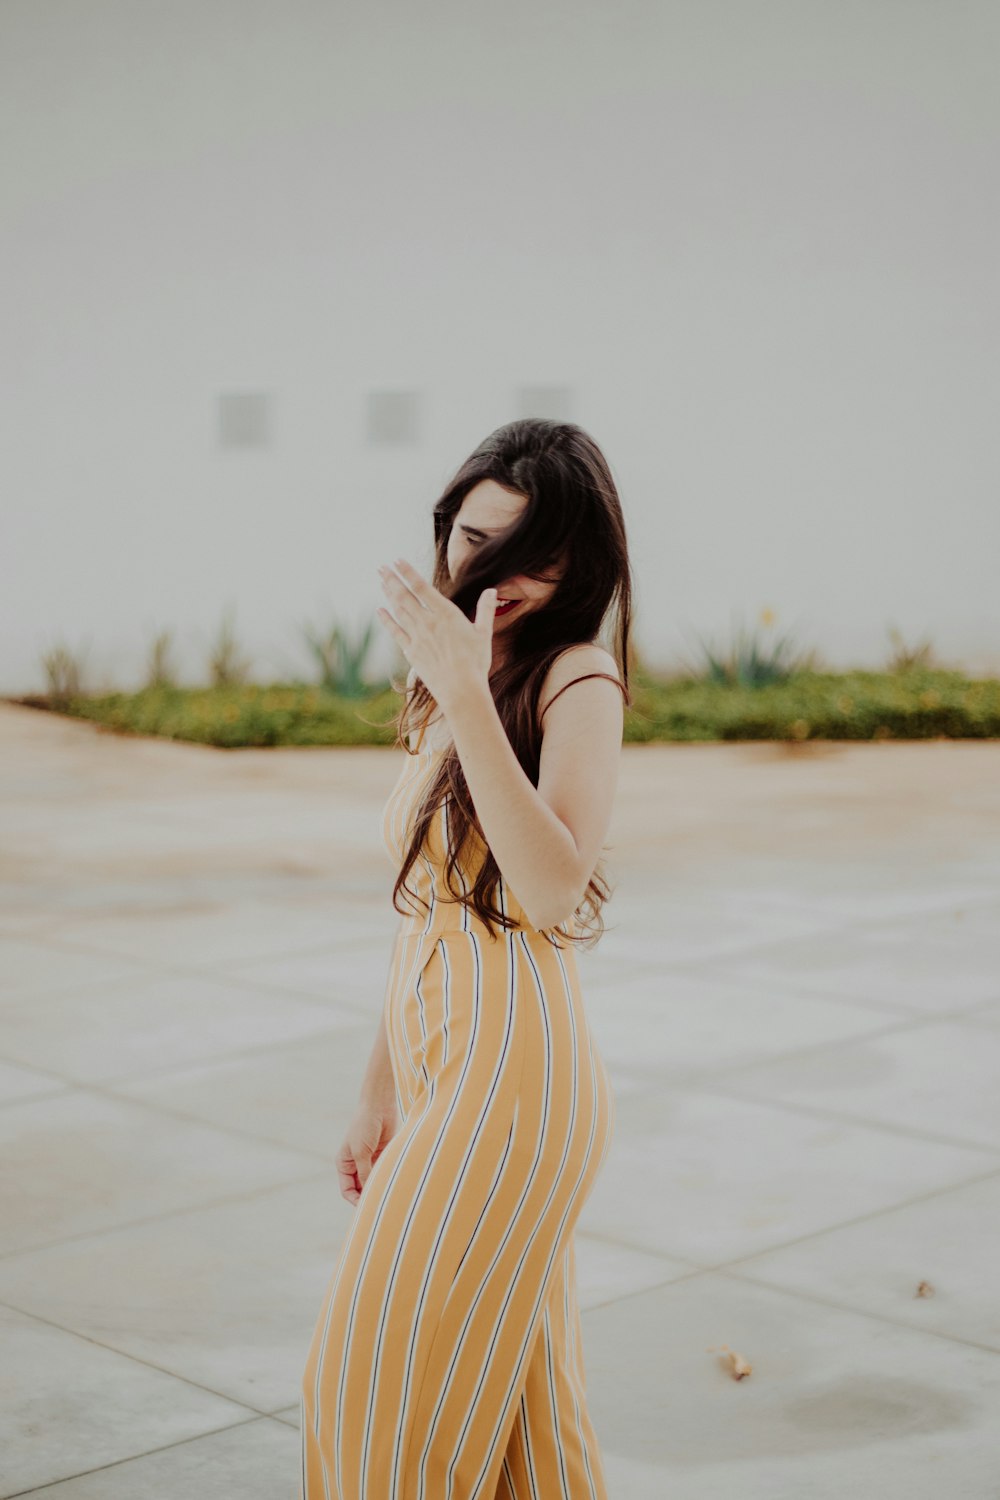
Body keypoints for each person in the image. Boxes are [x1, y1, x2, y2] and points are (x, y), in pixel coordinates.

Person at [301, 417, 633, 1499]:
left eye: (532, 551)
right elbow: (424, 912)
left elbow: (550, 888)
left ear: (581, 560)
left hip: (515, 1084)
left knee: (370, 1395)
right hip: (444, 1068)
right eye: (473, 539)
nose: (494, 572)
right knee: (528, 1438)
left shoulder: (574, 677)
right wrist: (375, 1089)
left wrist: (465, 693)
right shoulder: (450, 675)